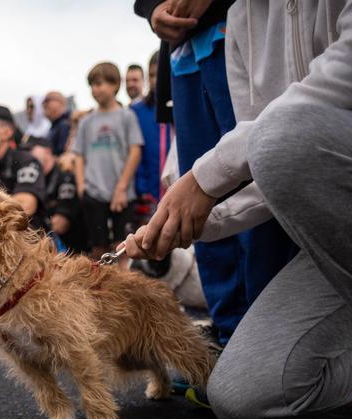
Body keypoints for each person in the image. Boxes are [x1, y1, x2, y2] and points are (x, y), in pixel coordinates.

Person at [126, 1, 352, 419]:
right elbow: (268, 159)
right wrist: (195, 222)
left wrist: (202, 179)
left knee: (286, 136)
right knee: (242, 398)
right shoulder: (244, 13)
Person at [135, 0, 295, 348]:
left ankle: (267, 336)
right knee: (196, 200)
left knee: (252, 169)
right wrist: (151, 8)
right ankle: (228, 333)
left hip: (235, 28)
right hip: (182, 54)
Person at [71, 62, 144, 259]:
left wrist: (121, 187)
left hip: (122, 193)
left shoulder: (126, 116)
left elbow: (135, 150)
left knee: (122, 247)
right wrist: (81, 187)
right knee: (98, 248)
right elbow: (78, 154)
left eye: (99, 84)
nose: (95, 89)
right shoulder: (87, 121)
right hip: (94, 192)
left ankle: (122, 287)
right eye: (92, 85)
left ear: (114, 85)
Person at [23, 137, 86, 254]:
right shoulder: (37, 178)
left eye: (30, 150)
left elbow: (61, 224)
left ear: (47, 151)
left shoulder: (65, 175)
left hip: (76, 252)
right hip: (52, 249)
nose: (27, 155)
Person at [130, 52, 171, 204]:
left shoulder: (182, 108)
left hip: (176, 192)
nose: (157, 80)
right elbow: (134, 152)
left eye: (162, 73)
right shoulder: (137, 111)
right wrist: (141, 187)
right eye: (152, 75)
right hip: (146, 196)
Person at [43, 91, 72, 156]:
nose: (44, 104)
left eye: (48, 101)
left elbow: (62, 152)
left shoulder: (65, 124)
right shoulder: (54, 126)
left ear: (60, 102)